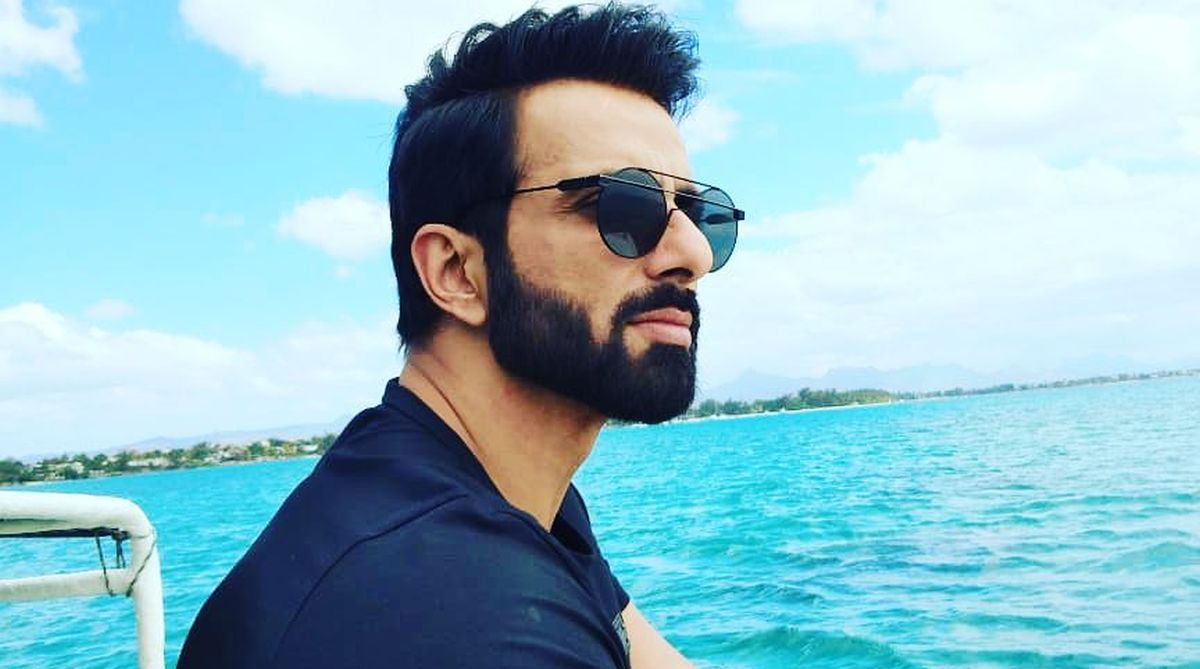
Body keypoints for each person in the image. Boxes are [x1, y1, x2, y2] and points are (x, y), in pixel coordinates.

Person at [178, 4, 742, 667]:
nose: (692, 253)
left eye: (699, 214)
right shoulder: (455, 612)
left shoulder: (503, 498)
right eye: (624, 206)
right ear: (456, 271)